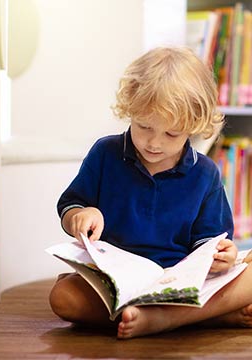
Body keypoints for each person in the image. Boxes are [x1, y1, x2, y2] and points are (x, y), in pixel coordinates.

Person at [48, 46, 252, 339]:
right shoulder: (105, 154)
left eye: (171, 134)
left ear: (194, 126)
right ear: (129, 110)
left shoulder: (205, 173)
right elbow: (71, 206)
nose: (154, 143)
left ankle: (160, 318)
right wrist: (80, 215)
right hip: (116, 281)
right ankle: (199, 318)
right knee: (63, 297)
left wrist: (223, 256)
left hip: (179, 283)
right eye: (143, 126)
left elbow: (212, 242)